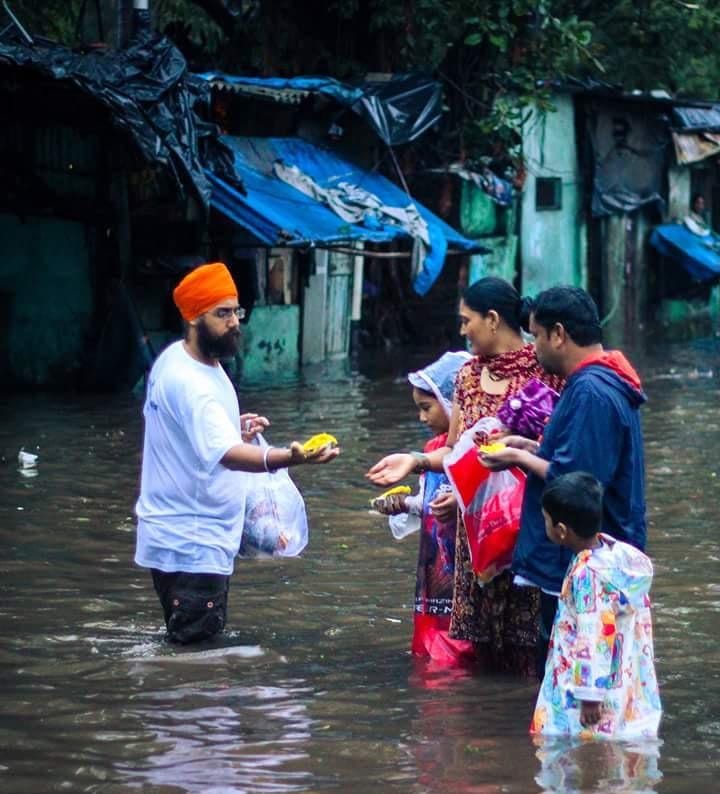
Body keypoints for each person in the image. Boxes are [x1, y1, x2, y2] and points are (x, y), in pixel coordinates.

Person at [135, 262, 339, 644]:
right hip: (193, 545)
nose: (234, 322)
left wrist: (233, 427)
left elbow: (195, 435)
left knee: (190, 650)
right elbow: (227, 454)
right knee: (199, 663)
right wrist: (289, 457)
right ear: (194, 318)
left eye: (236, 311)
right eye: (222, 313)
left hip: (179, 539)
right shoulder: (193, 382)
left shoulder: (180, 360)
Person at [368, 277, 563, 676]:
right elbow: (455, 452)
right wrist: (414, 461)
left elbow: (557, 451)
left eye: (466, 321)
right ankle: (487, 726)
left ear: (492, 320)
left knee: (533, 648)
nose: (462, 331)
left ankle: (517, 728)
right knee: (482, 652)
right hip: (474, 537)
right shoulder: (468, 376)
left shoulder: (544, 372)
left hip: (528, 527)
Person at [481, 286, 647, 676]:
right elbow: (579, 457)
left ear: (558, 334)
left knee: (572, 674)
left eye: (537, 335)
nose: (534, 346)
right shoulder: (601, 381)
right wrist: (530, 445)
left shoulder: (591, 391)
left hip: (584, 564)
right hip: (597, 558)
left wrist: (518, 457)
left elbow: (579, 482)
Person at [530, 472, 661, 740]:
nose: (544, 524)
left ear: (561, 530)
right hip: (619, 672)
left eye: (546, 519)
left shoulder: (588, 575)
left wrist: (589, 694)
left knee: (568, 748)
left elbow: (593, 633)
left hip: (588, 685)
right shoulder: (617, 556)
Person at [375, 351, 474, 665]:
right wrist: (403, 504)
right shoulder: (433, 452)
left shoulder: (470, 449)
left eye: (427, 408)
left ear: (453, 404)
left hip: (461, 566)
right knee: (431, 648)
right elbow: (428, 504)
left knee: (459, 646)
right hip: (435, 567)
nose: (422, 418)